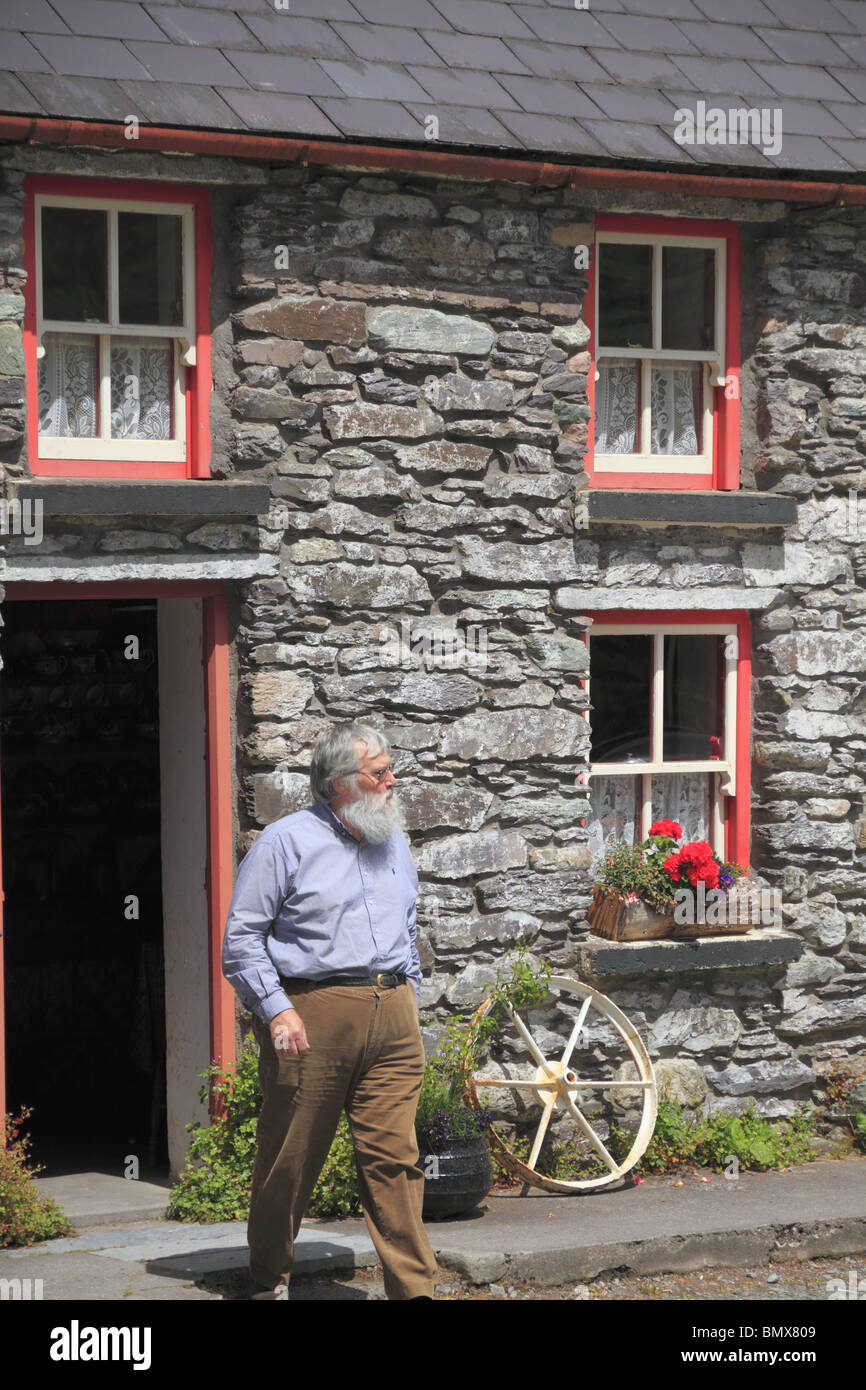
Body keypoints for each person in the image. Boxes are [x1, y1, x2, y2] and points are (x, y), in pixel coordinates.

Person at [221, 720, 438, 1301]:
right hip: (310, 1013)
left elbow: (408, 922)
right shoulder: (285, 841)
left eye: (391, 767)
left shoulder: (392, 838)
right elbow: (241, 940)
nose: (393, 780)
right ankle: (269, 1279)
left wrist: (409, 992)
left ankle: (415, 1291)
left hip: (391, 1012)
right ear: (341, 783)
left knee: (396, 1160)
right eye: (379, 772)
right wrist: (276, 1010)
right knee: (290, 1156)